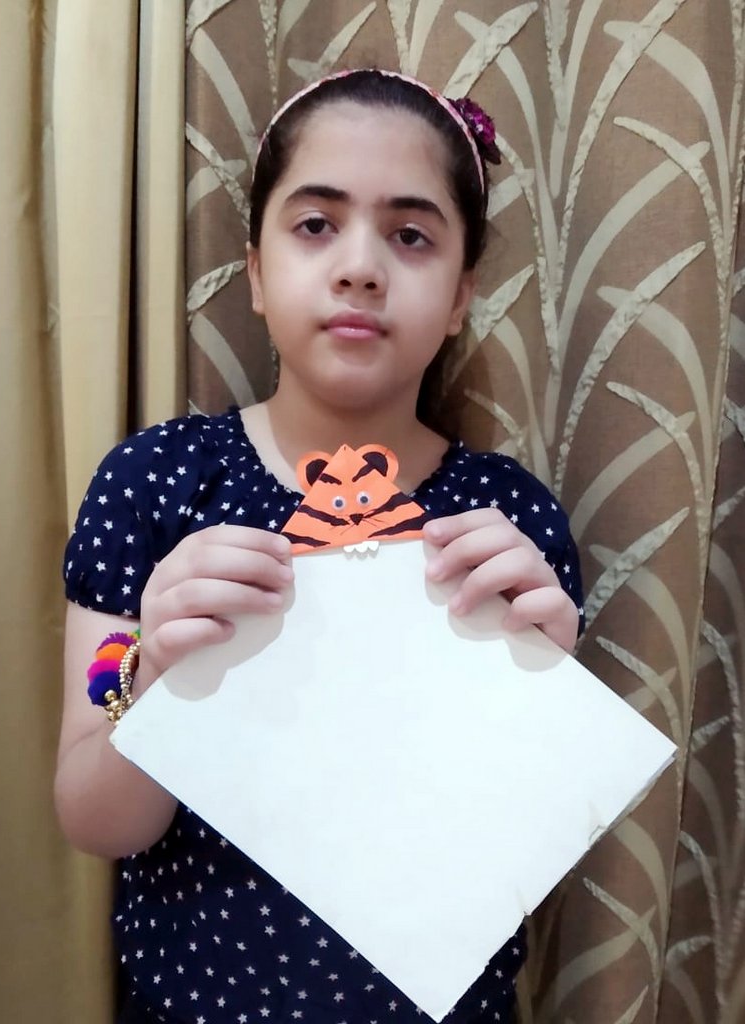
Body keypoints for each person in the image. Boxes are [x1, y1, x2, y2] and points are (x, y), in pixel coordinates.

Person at [56, 68, 584, 1024]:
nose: (360, 267)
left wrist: (540, 699)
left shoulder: (507, 526)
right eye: (314, 224)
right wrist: (156, 674)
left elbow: (514, 852)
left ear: (461, 296)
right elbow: (96, 819)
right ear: (256, 272)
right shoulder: (156, 485)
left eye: (411, 235)